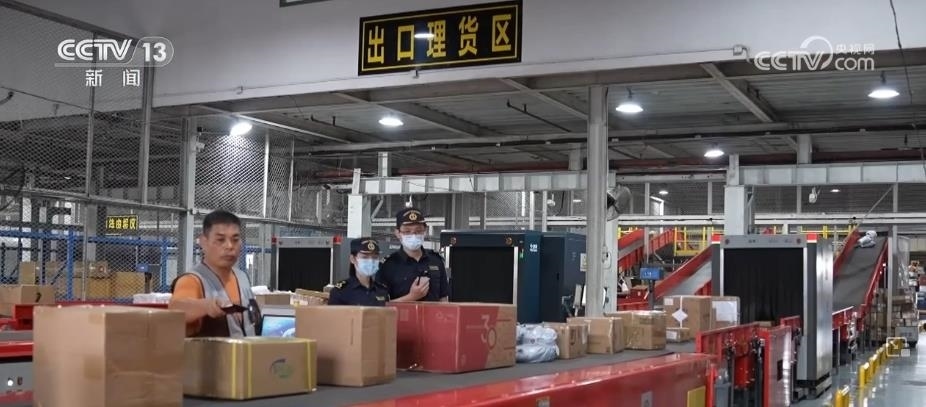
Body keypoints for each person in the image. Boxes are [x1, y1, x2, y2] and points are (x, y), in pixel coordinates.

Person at [169, 210, 258, 337]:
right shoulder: (192, 280)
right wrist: (206, 305)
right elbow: (176, 308)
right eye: (220, 240)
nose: (229, 246)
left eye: (235, 239)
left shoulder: (242, 277)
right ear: (203, 242)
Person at [377, 207, 450, 302]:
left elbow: (443, 298)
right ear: (397, 233)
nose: (413, 235)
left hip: (433, 312)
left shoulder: (436, 261)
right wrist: (411, 297)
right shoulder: (388, 265)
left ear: (425, 231)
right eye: (407, 231)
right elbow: (381, 305)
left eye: (418, 231)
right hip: (402, 312)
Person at [328, 237, 391, 306]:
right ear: (353, 259)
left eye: (375, 257)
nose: (371, 261)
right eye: (365, 257)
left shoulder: (382, 291)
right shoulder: (340, 291)